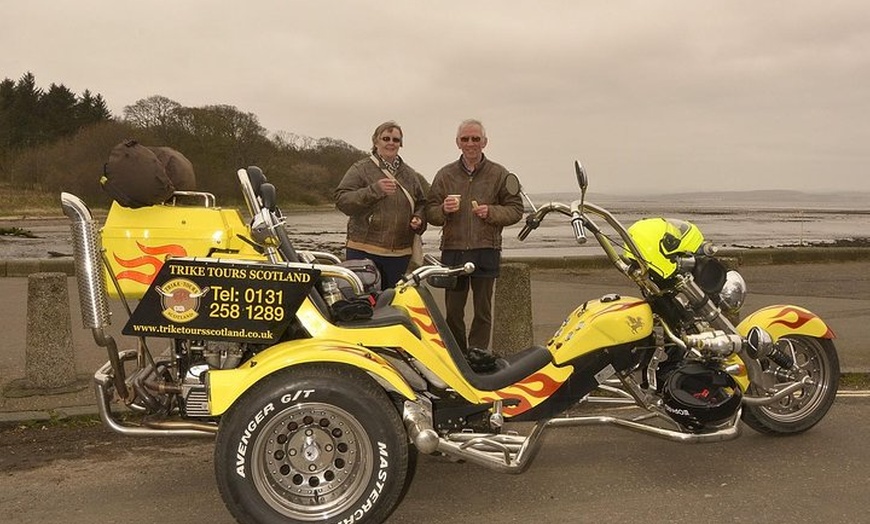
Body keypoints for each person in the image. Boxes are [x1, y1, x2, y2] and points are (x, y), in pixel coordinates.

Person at [426, 119, 524, 357]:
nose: (471, 143)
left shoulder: (499, 173)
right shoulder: (445, 174)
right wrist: (443, 210)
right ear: (458, 143)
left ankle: (478, 354)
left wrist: (491, 212)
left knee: (483, 311)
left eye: (475, 139)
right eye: (465, 139)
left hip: (486, 249)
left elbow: (516, 210)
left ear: (485, 142)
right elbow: (430, 211)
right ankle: (457, 357)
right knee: (453, 312)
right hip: (453, 249)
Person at [335, 121, 427, 288]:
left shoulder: (410, 175)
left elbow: (422, 203)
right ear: (376, 142)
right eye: (386, 138)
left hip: (400, 253)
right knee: (362, 303)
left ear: (401, 144)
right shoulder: (360, 169)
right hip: (363, 249)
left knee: (391, 303)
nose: (391, 143)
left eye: (396, 140)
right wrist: (374, 190)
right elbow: (342, 200)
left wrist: (418, 218)